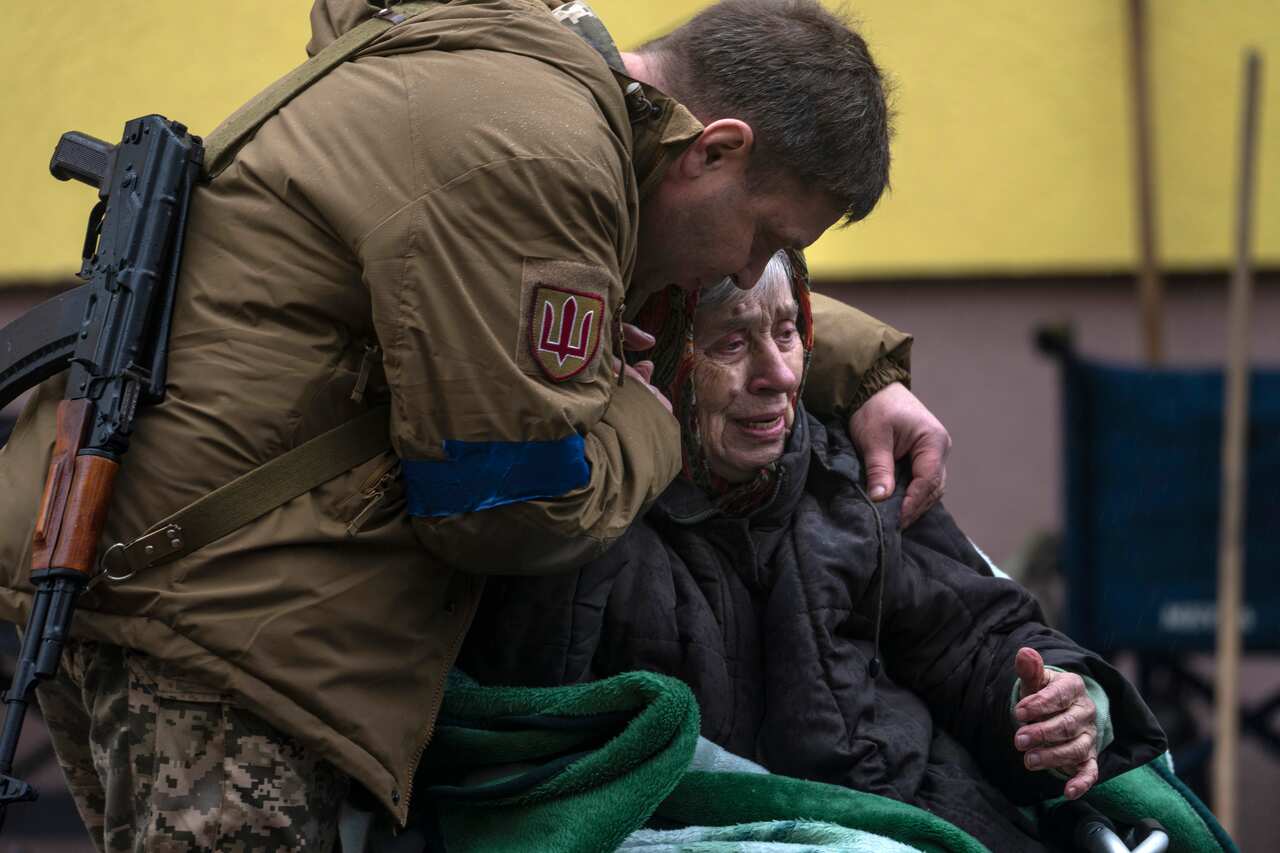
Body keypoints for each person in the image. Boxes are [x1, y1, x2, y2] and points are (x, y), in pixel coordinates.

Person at [0, 1, 944, 849]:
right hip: (219, 625)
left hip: (157, 576)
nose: (753, 270)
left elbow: (625, 276)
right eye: (770, 237)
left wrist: (854, 369)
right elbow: (509, 508)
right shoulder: (544, 159)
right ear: (715, 150)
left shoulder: (527, 82)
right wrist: (646, 428)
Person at [460, 252, 1169, 852]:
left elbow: (979, 636)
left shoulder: (851, 479)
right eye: (730, 344)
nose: (779, 374)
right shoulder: (589, 514)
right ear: (655, 356)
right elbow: (532, 723)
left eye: (790, 331)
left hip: (925, 811)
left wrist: (1058, 704)